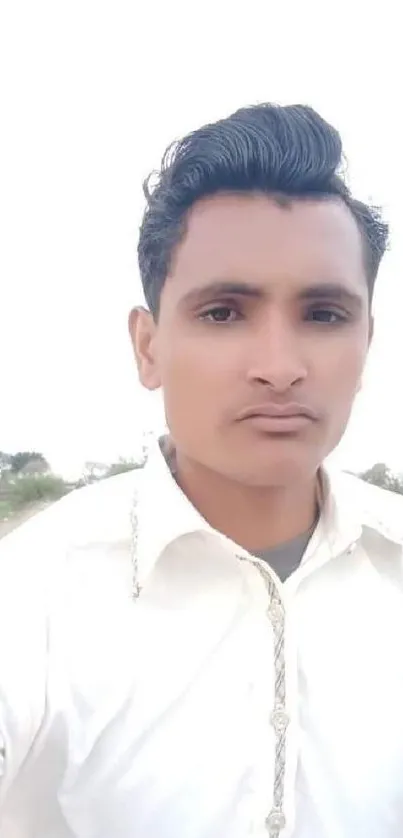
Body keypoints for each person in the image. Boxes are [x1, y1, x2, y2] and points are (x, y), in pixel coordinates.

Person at [0, 103, 402, 838]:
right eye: (222, 313)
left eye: (322, 314)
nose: (279, 369)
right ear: (148, 346)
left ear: (365, 342)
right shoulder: (32, 592)